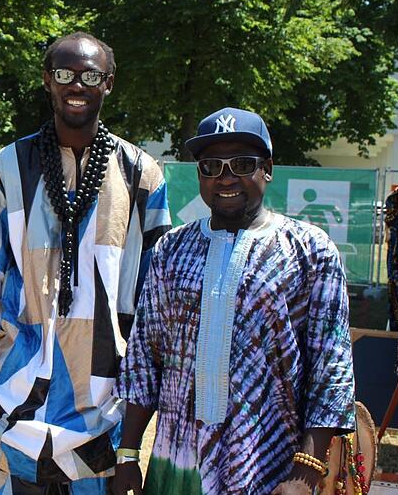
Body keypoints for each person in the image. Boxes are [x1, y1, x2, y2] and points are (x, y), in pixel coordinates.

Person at [0, 31, 172, 494]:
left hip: (104, 415)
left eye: (90, 75)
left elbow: (155, 302)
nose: (76, 85)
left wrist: (130, 444)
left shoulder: (142, 174)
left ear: (109, 83)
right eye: (63, 74)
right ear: (47, 80)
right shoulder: (7, 168)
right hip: (11, 413)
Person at [112, 107, 356, 495]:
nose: (226, 177)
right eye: (211, 166)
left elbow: (332, 369)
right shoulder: (171, 251)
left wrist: (305, 471)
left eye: (242, 163)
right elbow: (145, 358)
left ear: (268, 168)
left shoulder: (310, 250)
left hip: (269, 467)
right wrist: (127, 454)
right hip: (178, 467)